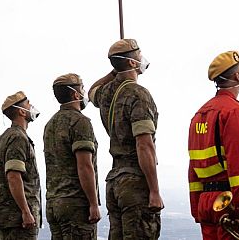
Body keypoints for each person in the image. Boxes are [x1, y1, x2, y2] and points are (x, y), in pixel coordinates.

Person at [89, 38, 162, 239]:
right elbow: (144, 144)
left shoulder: (106, 93)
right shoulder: (139, 94)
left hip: (114, 182)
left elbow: (90, 91)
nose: (141, 59)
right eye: (138, 56)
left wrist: (115, 70)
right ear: (132, 62)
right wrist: (154, 190)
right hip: (135, 181)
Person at [187, 50, 239, 239]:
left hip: (206, 203)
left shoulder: (199, 115)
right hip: (230, 202)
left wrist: (197, 206)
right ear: (237, 75)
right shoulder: (234, 112)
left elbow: (193, 167)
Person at [43, 73, 101, 239]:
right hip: (76, 204)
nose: (84, 92)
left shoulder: (50, 124)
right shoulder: (80, 122)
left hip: (54, 204)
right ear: (76, 94)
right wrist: (93, 203)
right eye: (82, 89)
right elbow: (84, 165)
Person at [0, 91, 42, 240]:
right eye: (28, 104)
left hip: (5, 217)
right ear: (21, 111)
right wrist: (26, 211)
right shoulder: (17, 138)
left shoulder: (2, 139)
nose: (31, 107)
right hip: (17, 220)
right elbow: (13, 177)